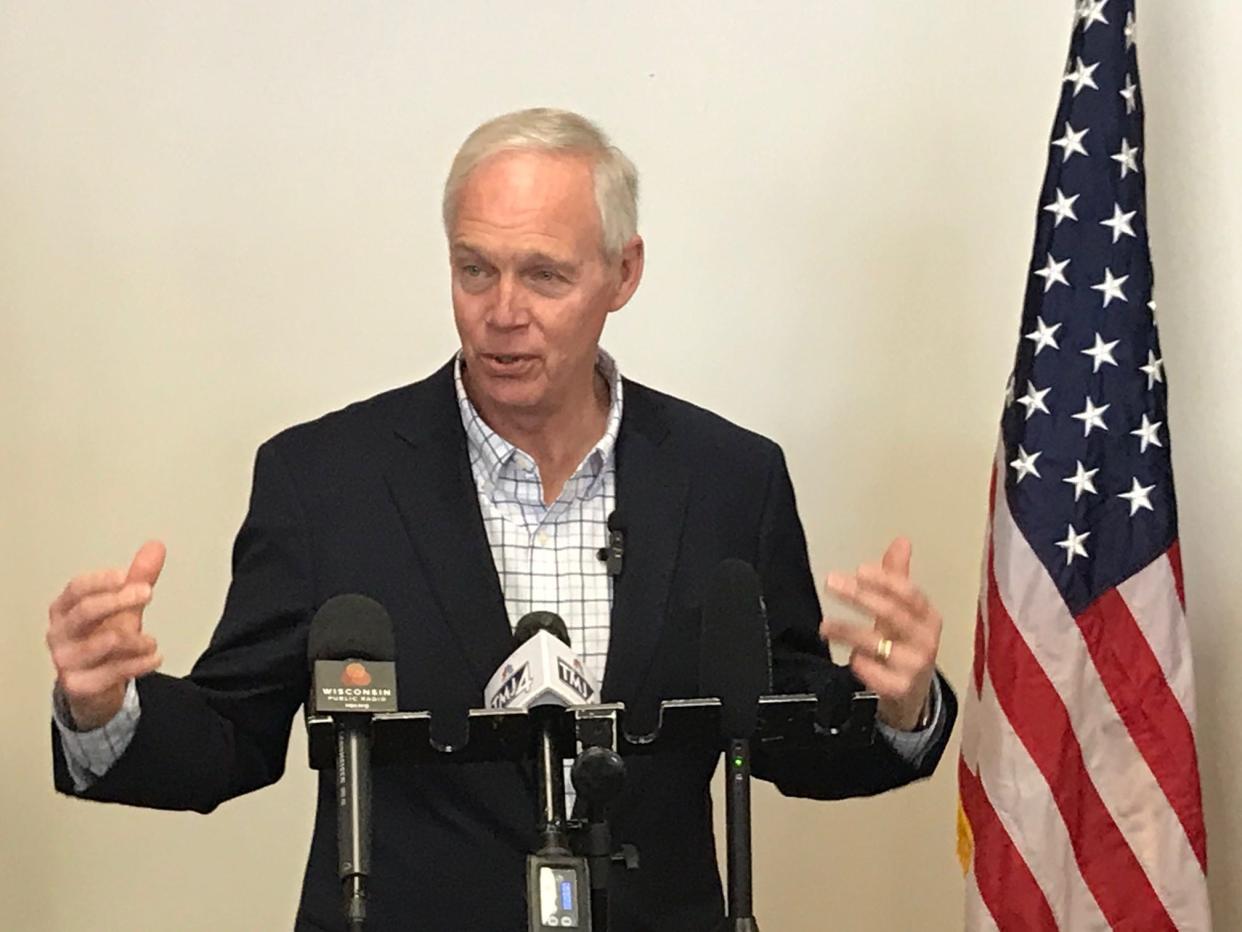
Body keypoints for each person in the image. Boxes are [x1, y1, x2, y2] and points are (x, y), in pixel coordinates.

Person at [46, 108, 955, 931]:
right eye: (474, 269)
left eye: (544, 275)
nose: (502, 314)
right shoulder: (325, 479)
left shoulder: (729, 478)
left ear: (623, 273)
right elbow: (230, 739)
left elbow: (785, 738)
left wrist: (896, 703)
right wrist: (105, 709)